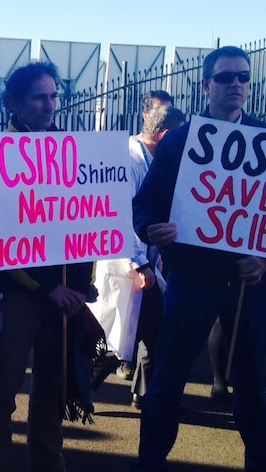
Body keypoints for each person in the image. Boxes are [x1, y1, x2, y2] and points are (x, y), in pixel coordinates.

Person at [131, 46, 266, 472]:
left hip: (249, 286)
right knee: (168, 377)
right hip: (192, 280)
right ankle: (149, 462)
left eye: (243, 77)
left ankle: (265, 464)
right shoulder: (180, 140)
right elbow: (145, 207)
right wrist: (151, 231)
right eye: (225, 77)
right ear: (206, 85)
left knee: (251, 384)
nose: (235, 84)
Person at [0, 61, 95, 472]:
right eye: (40, 97)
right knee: (0, 393)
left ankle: (48, 463)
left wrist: (80, 287)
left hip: (65, 295)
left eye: (54, 96)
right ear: (15, 103)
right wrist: (48, 289)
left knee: (52, 389)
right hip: (17, 293)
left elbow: (89, 223)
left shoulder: (71, 150)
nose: (50, 105)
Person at [92, 104, 185, 409]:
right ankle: (76, 388)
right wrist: (140, 263)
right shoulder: (126, 160)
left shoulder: (155, 161)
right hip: (128, 264)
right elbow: (119, 216)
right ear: (167, 135)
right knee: (115, 340)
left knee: (154, 332)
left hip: (147, 263)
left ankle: (145, 395)